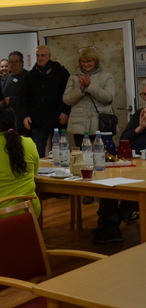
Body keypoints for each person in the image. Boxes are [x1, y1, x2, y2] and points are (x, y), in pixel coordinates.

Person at [91, 83, 146, 243]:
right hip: (133, 161)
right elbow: (124, 139)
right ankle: (111, 226)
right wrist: (140, 128)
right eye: (144, 95)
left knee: (132, 188)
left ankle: (110, 226)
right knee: (111, 183)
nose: (145, 99)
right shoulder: (139, 114)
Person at [22, 45, 71, 157]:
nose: (40, 58)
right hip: (37, 120)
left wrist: (65, 111)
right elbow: (24, 97)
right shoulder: (30, 75)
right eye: (38, 55)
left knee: (60, 153)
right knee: (37, 153)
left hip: (58, 118)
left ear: (49, 56)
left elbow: (68, 94)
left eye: (43, 55)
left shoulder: (61, 73)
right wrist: (25, 115)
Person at [62, 48, 115, 147]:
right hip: (79, 126)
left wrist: (90, 87)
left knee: (102, 155)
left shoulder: (107, 76)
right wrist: (80, 89)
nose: (86, 64)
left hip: (101, 125)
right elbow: (66, 100)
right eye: (83, 61)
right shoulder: (73, 78)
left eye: (89, 61)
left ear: (95, 61)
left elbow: (108, 98)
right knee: (82, 156)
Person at [2, 51, 29, 134]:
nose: (14, 64)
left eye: (17, 61)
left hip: (23, 123)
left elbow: (30, 97)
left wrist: (12, 100)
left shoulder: (29, 77)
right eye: (11, 62)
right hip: (8, 122)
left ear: (22, 63)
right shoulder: (7, 78)